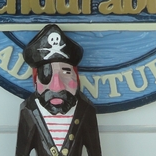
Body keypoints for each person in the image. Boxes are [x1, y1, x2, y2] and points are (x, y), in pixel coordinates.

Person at [15, 24, 102, 156]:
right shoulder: (28, 110)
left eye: (66, 73)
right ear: (35, 80)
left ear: (76, 78)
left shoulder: (86, 109)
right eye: (46, 75)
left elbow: (95, 152)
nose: (57, 86)